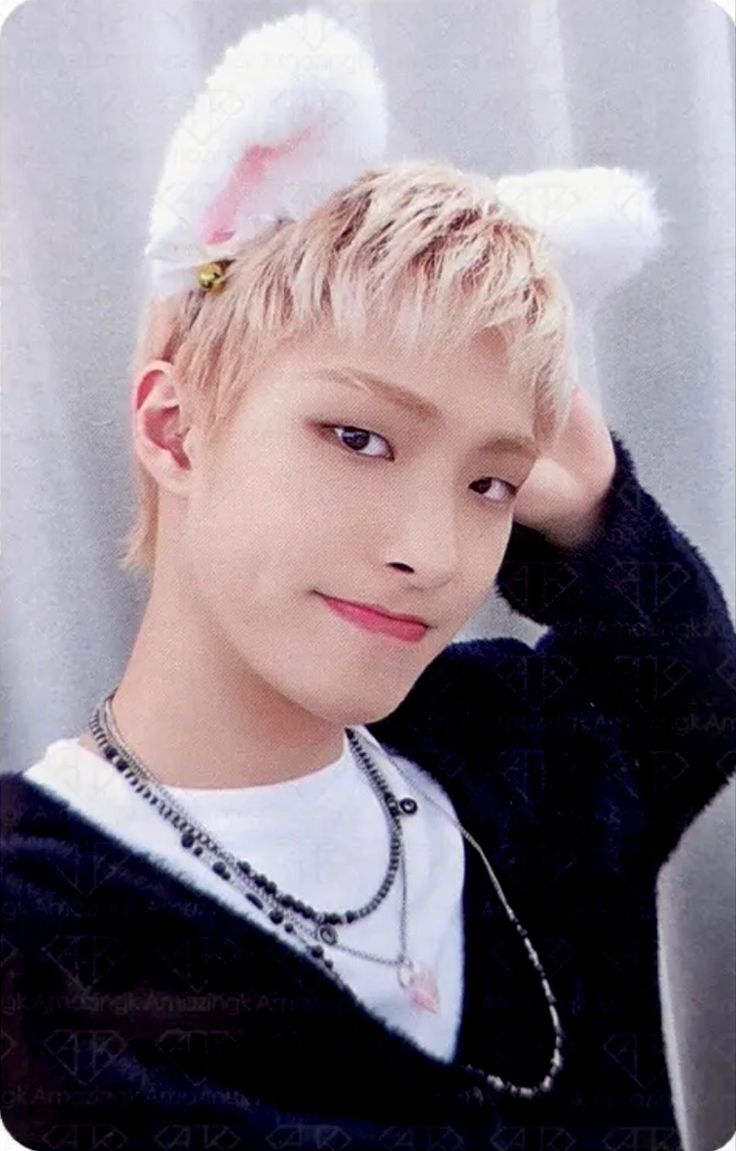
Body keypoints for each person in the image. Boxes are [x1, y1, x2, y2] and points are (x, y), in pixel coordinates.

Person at [2, 10, 734, 1150]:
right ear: (175, 427)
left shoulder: (509, 752)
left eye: (489, 484)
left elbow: (688, 681)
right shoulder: (40, 920)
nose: (432, 554)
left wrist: (587, 499)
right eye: (359, 438)